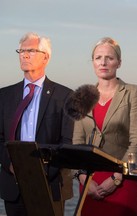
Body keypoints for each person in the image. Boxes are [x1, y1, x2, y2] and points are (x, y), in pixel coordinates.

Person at [0, 32, 74, 216]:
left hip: (50, 184)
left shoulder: (65, 96)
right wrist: (11, 164)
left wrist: (40, 170)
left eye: (30, 51)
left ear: (46, 57)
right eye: (21, 51)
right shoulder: (4, 96)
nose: (24, 55)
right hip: (13, 186)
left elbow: (67, 141)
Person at [73, 37, 137, 216]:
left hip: (123, 182)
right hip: (89, 184)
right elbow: (76, 143)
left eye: (110, 58)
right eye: (98, 58)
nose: (103, 62)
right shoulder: (81, 96)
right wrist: (82, 177)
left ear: (119, 63)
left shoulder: (133, 92)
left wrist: (115, 179)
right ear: (93, 62)